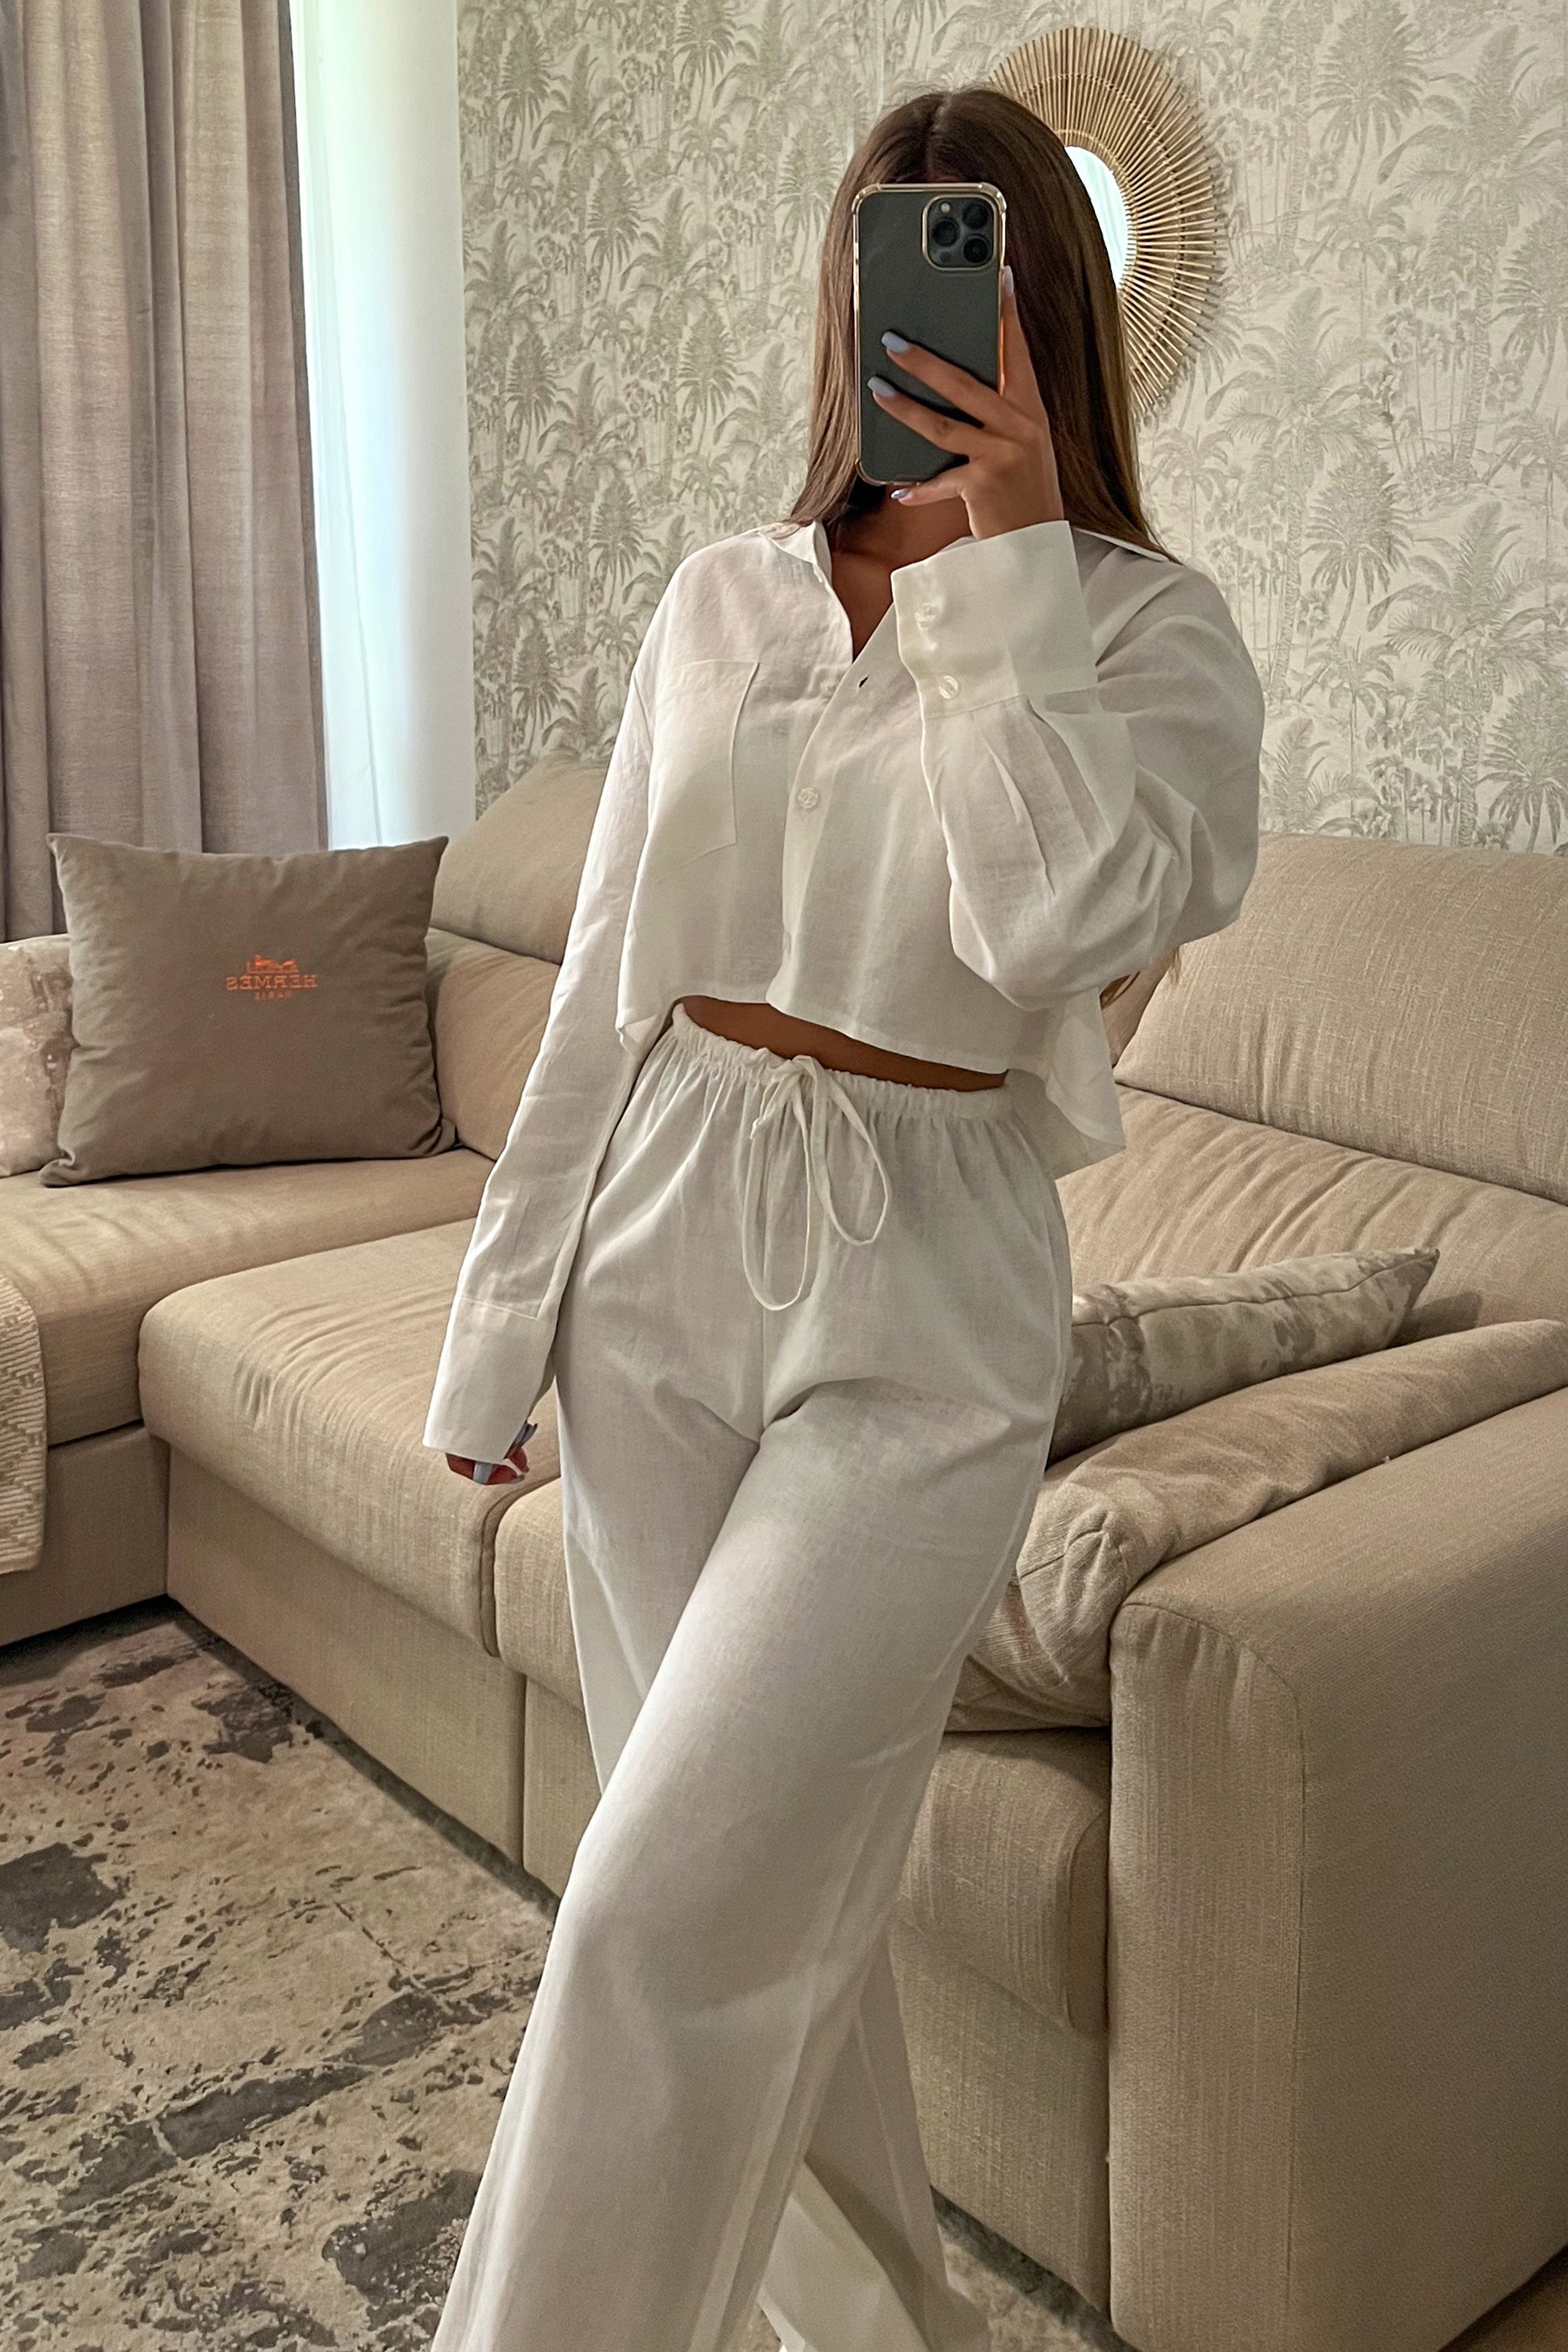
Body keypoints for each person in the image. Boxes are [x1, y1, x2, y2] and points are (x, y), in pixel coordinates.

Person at [423, 81, 1265, 2352]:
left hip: (929, 1286)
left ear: (1046, 311)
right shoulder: (720, 599)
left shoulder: (1154, 639)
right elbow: (603, 981)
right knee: (745, 1908)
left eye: (977, 272)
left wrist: (1002, 565)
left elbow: (1054, 927)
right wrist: (497, 1323)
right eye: (893, 269)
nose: (927, 322)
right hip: (659, 1235)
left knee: (658, 1918)